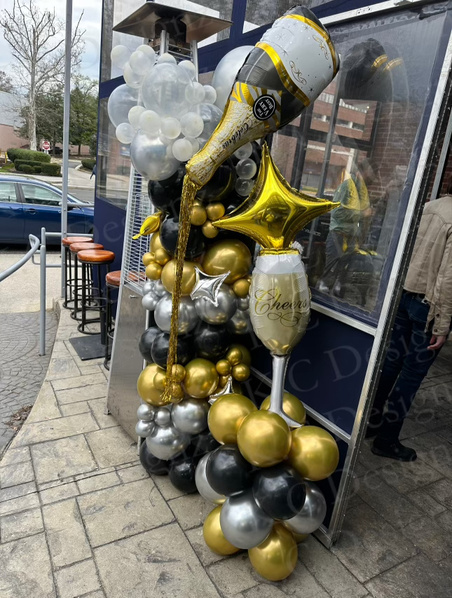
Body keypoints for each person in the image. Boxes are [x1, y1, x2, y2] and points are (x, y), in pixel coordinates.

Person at [368, 187, 452, 461]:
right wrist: (442, 326)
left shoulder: (429, 207)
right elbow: (448, 280)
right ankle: (386, 439)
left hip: (406, 297)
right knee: (411, 376)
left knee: (392, 363)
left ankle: (371, 421)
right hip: (428, 307)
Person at [318, 158, 375, 295]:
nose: (372, 178)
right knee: (330, 274)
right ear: (361, 172)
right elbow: (337, 213)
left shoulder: (361, 191)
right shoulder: (347, 187)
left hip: (351, 237)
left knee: (342, 270)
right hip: (339, 235)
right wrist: (362, 214)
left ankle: (336, 291)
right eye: (370, 173)